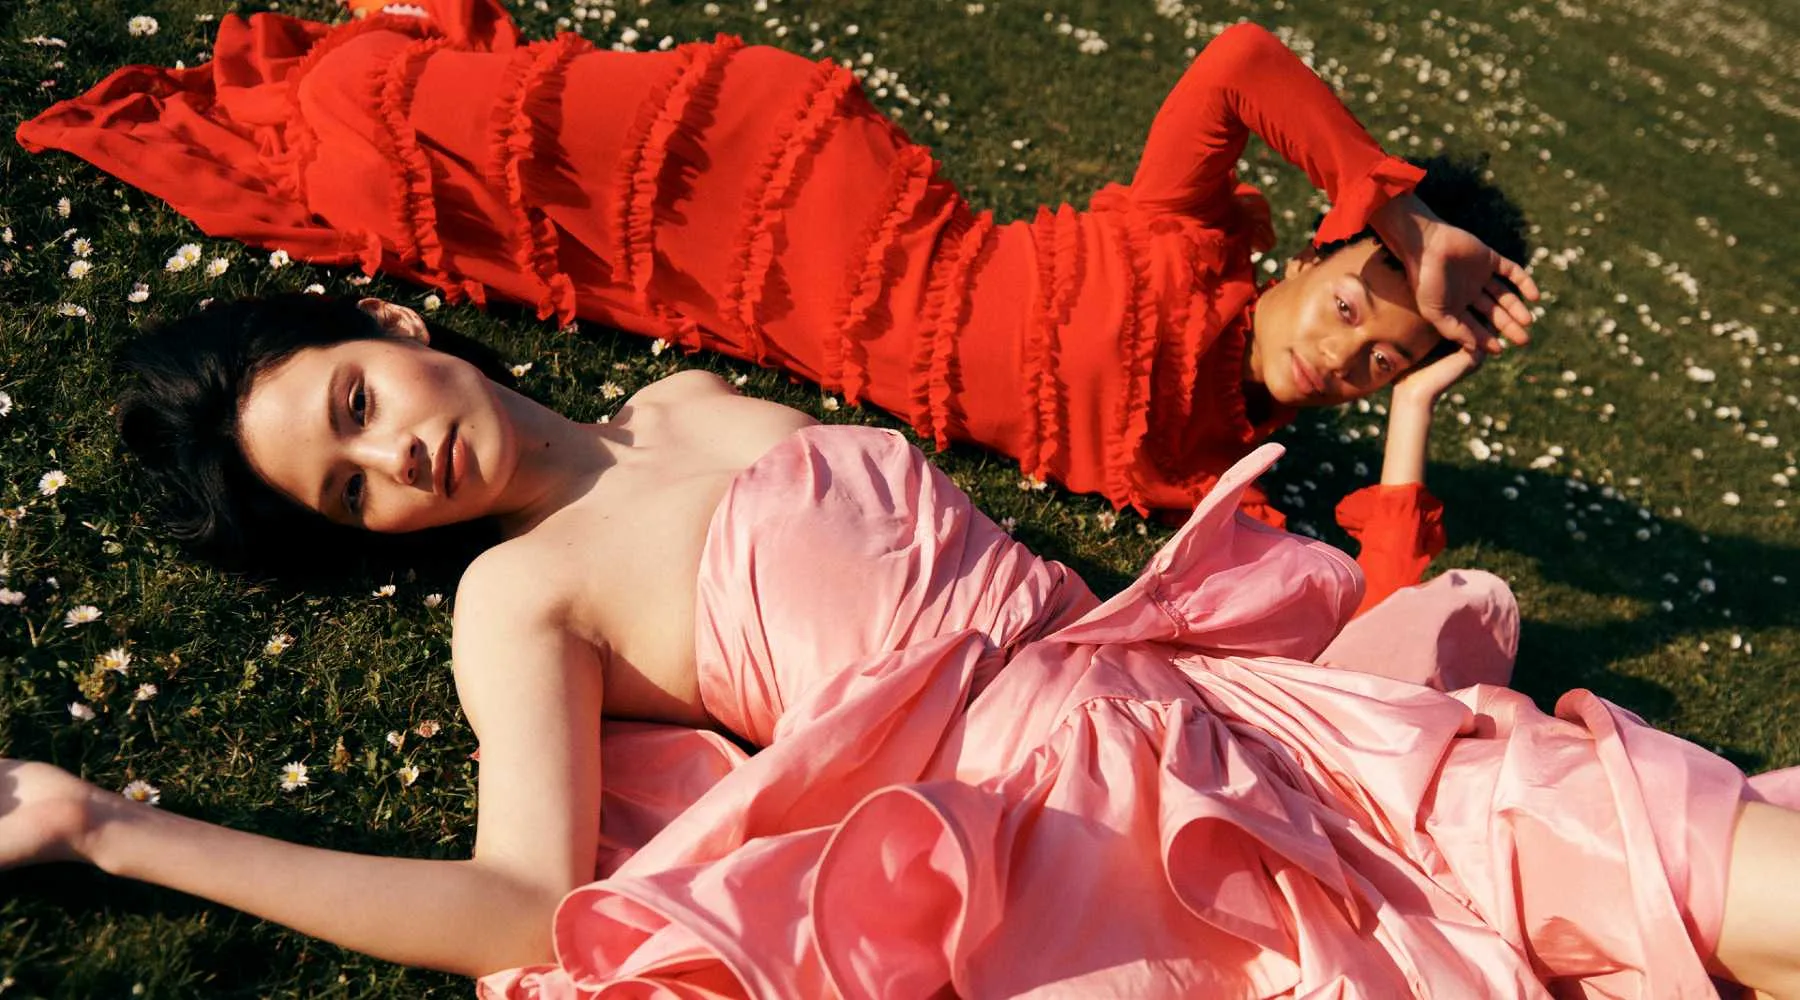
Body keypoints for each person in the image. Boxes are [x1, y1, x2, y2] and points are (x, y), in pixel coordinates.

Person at [3, 288, 1799, 999]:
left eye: (354, 403)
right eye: (348, 495)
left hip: (1247, 711)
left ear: (395, 326)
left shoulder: (682, 398)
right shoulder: (518, 596)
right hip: (1101, 854)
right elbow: (520, 903)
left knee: (1722, 887)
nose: (395, 460)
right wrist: (114, 828)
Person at [15, 0, 1542, 613]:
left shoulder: (1209, 470)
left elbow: (1373, 618)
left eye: (1380, 365)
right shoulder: (1184, 231)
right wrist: (1404, 213)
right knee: (375, 113)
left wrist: (1414, 417)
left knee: (463, 224)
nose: (1350, 348)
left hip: (761, 312)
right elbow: (1239, 60)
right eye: (1360, 299)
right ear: (1315, 249)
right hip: (808, 182)